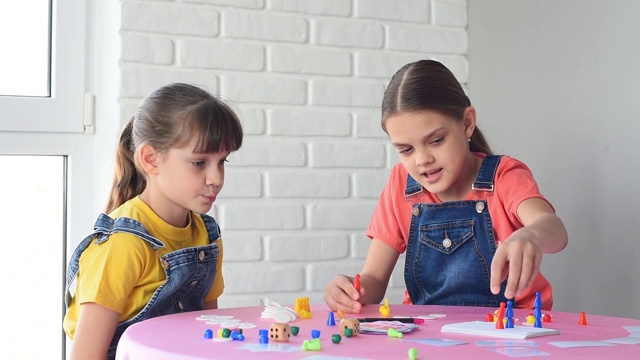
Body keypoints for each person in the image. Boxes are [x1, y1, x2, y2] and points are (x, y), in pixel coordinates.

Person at [324, 60, 568, 314]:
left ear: (466, 123)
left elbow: (555, 230)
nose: (422, 160)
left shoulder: (503, 177)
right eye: (406, 150)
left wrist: (532, 235)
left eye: (436, 140)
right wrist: (351, 291)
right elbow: (373, 281)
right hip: (429, 334)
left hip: (509, 331)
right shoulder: (401, 185)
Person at [63, 83, 243, 360]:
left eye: (222, 162)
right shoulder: (123, 244)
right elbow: (85, 356)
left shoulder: (207, 235)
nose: (216, 178)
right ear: (151, 159)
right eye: (199, 162)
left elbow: (209, 336)